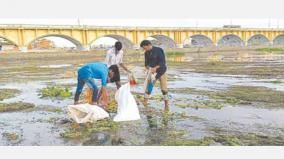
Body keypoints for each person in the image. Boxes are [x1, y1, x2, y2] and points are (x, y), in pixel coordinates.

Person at [140, 40, 169, 112]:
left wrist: (155, 68)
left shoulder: (159, 50)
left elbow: (162, 62)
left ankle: (166, 105)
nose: (144, 49)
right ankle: (145, 102)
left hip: (161, 71)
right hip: (152, 73)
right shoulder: (146, 53)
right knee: (148, 88)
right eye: (143, 48)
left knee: (164, 89)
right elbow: (146, 64)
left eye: (145, 48)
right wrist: (148, 69)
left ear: (149, 45)